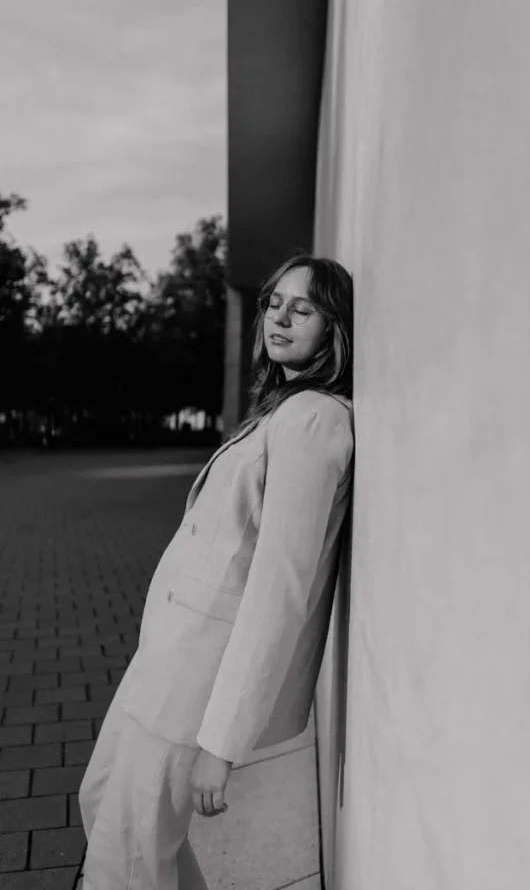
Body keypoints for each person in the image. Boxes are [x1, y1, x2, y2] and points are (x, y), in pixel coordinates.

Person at [79, 254, 355, 888]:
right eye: (273, 303)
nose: (279, 317)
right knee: (105, 808)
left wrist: (221, 743)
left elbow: (280, 589)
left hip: (196, 680)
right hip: (165, 660)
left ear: (333, 330)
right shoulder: (285, 409)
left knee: (129, 851)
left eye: (303, 308)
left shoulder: (315, 421)